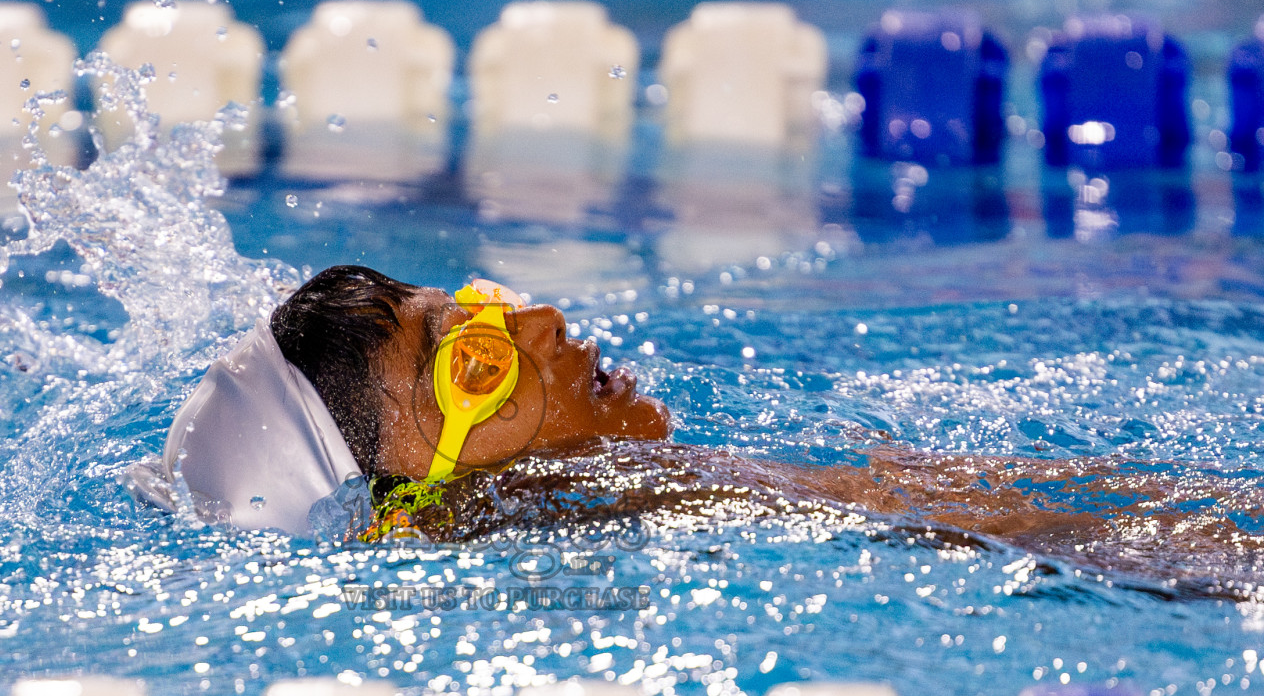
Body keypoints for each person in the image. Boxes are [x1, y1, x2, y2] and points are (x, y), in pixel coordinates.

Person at [129, 265, 1264, 597]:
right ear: (423, 510)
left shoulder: (644, 487)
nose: (539, 321)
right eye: (474, 364)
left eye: (475, 305)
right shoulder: (629, 512)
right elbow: (1060, 539)